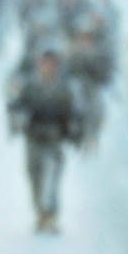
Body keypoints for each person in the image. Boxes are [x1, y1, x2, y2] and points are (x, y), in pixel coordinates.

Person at [7, 40, 83, 233]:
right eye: (45, 62)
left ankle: (51, 215)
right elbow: (16, 107)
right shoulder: (30, 85)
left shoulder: (64, 88)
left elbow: (74, 113)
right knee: (35, 178)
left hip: (54, 140)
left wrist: (75, 134)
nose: (48, 66)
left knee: (52, 178)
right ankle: (41, 214)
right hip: (34, 140)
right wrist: (17, 124)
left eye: (52, 63)